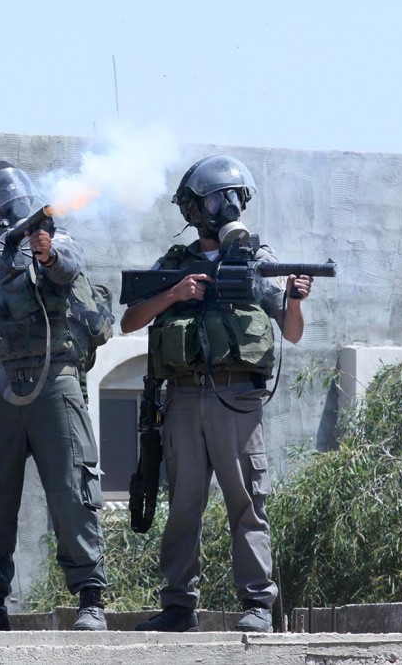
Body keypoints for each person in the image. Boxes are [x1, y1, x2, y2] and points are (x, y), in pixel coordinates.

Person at [121, 155, 312, 634]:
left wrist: (294, 298)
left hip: (237, 401)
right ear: (192, 209)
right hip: (183, 399)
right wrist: (174, 293)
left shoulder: (254, 261)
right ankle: (179, 606)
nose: (223, 206)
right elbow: (129, 321)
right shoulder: (174, 265)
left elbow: (291, 333)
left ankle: (255, 605)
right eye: (212, 198)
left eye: (229, 197)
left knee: (246, 502)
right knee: (184, 504)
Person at [0, 160, 108, 631]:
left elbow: (69, 267)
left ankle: (90, 599)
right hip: (0, 383)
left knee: (73, 488)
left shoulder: (49, 232)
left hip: (55, 379)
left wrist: (45, 254)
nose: (1, 201)